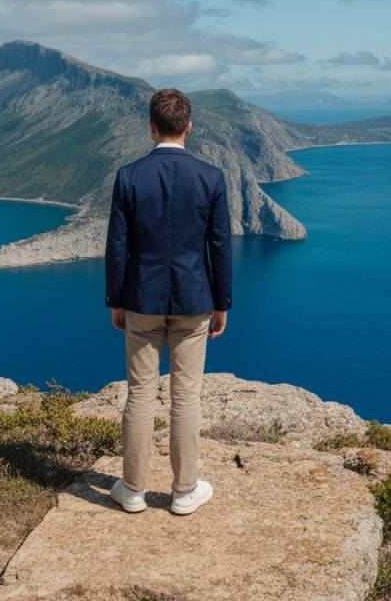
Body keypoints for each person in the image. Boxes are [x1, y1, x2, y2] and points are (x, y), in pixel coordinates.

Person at [104, 88, 232, 516]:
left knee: (140, 394)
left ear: (151, 126)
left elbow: (117, 247)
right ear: (189, 127)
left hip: (141, 299)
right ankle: (183, 492)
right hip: (195, 301)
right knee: (186, 397)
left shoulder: (129, 176)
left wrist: (116, 300)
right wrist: (222, 302)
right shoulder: (212, 177)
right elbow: (221, 248)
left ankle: (134, 491)